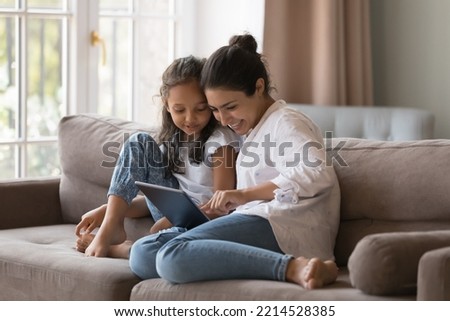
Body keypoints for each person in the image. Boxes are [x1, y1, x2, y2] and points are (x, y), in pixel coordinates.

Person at [128, 34, 341, 289]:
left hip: (282, 223)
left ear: (259, 87)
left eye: (230, 106)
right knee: (142, 254)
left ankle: (295, 267)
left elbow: (317, 173)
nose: (224, 119)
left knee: (171, 258)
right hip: (250, 218)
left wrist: (243, 194)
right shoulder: (252, 132)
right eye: (215, 110)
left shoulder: (286, 121)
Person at [75, 55, 241, 258]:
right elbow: (159, 200)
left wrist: (174, 220)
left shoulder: (220, 141)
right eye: (179, 110)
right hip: (174, 216)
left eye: (201, 108)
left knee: (161, 250)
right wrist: (108, 210)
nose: (190, 118)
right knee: (139, 141)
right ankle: (112, 224)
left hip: (203, 222)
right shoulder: (171, 142)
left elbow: (223, 204)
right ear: (166, 104)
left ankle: (115, 248)